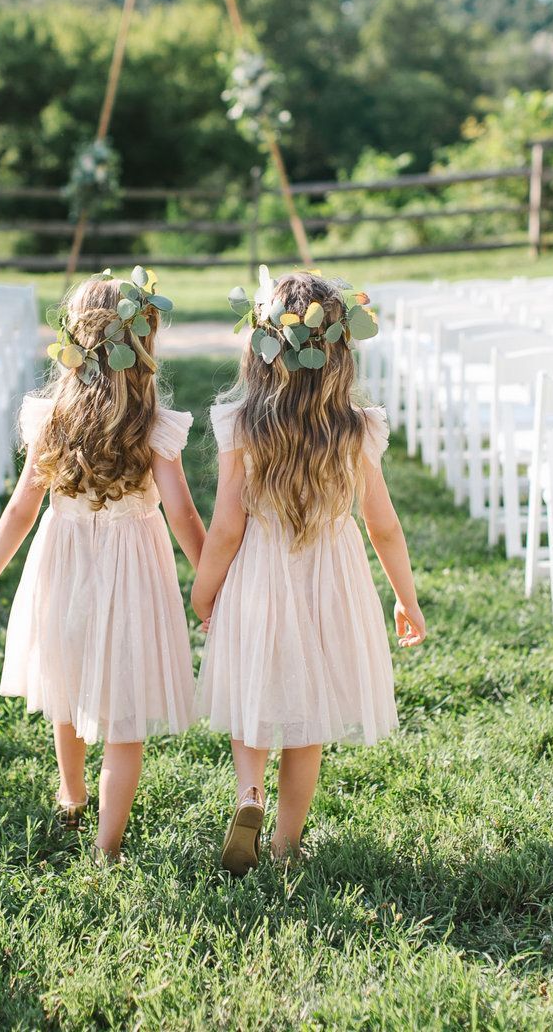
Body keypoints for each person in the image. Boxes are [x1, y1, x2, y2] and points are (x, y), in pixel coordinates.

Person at [191, 267, 425, 874]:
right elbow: (383, 525)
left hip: (258, 574)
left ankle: (249, 793)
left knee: (253, 691)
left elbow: (226, 526)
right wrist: (406, 598)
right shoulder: (356, 427)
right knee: (308, 714)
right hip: (331, 580)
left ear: (263, 347)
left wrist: (204, 591)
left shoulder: (242, 422)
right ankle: (287, 843)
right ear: (340, 353)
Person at [0, 269, 204, 860]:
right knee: (126, 711)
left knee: (66, 683)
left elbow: (22, 507)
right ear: (143, 345)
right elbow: (181, 512)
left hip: (64, 561)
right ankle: (106, 843)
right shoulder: (153, 424)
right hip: (134, 569)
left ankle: (72, 795)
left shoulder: (53, 416)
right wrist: (212, 579)